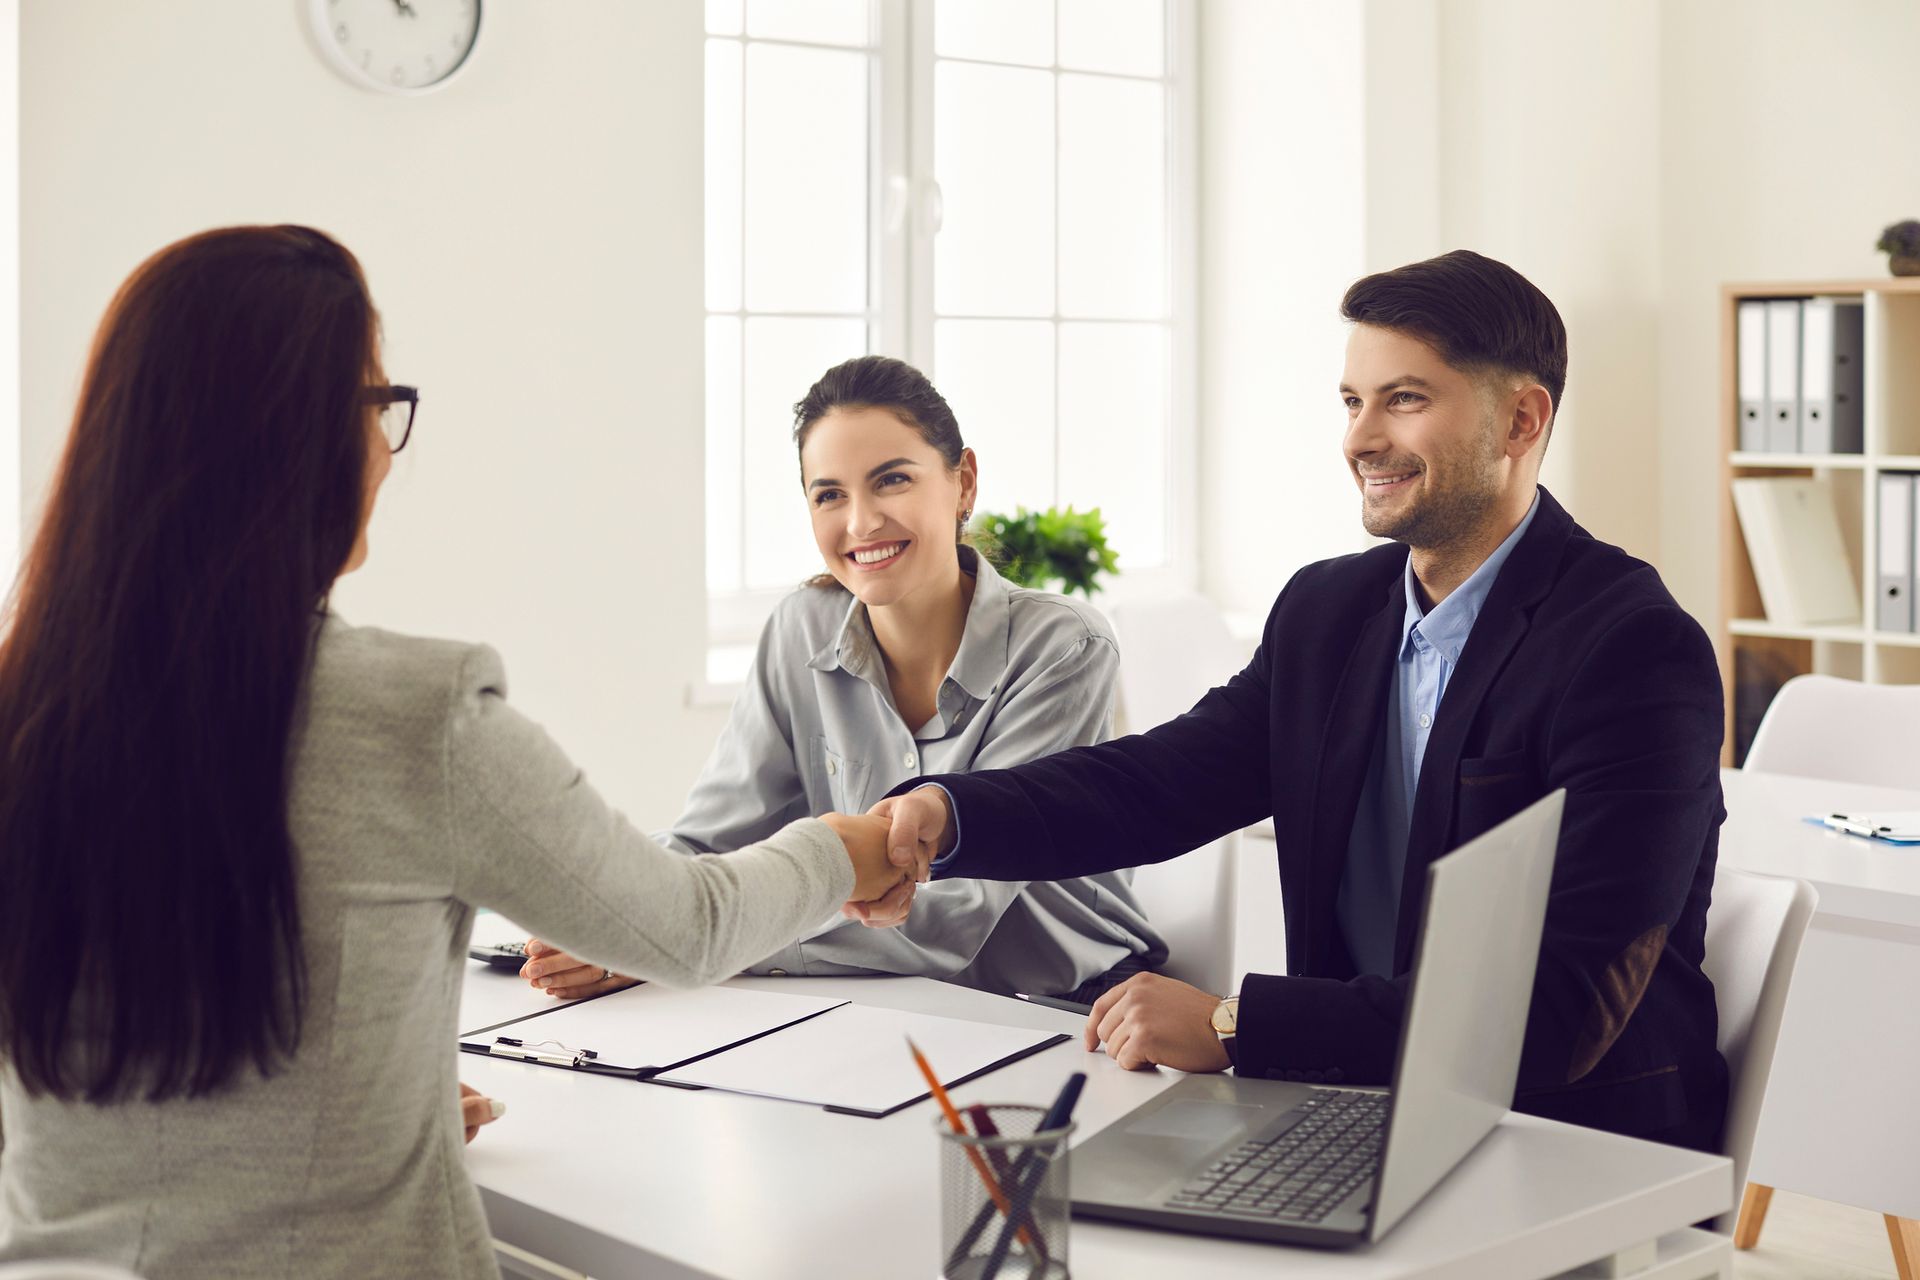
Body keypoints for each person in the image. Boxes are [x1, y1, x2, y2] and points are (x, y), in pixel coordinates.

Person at [0, 226, 900, 1279]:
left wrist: (384, 1108)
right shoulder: (415, 713)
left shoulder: (27, 708)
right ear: (305, 440)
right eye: (377, 404)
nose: (387, 445)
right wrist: (845, 848)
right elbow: (686, 924)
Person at [873, 250, 1729, 1152]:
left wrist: (1235, 1028)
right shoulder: (1329, 612)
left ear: (1521, 419)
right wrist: (945, 815)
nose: (1361, 439)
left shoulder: (1634, 651)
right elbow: (1159, 783)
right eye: (1353, 402)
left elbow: (1563, 1007)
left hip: (1570, 1143)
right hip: (1348, 1115)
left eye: (1404, 399)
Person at [518, 355, 1166, 1005]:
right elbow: (710, 837)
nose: (860, 523)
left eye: (891, 481)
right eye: (830, 494)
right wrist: (605, 912)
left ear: (962, 482)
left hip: (1069, 1010)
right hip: (874, 999)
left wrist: (692, 938)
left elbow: (958, 911)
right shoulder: (801, 627)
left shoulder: (1064, 646)